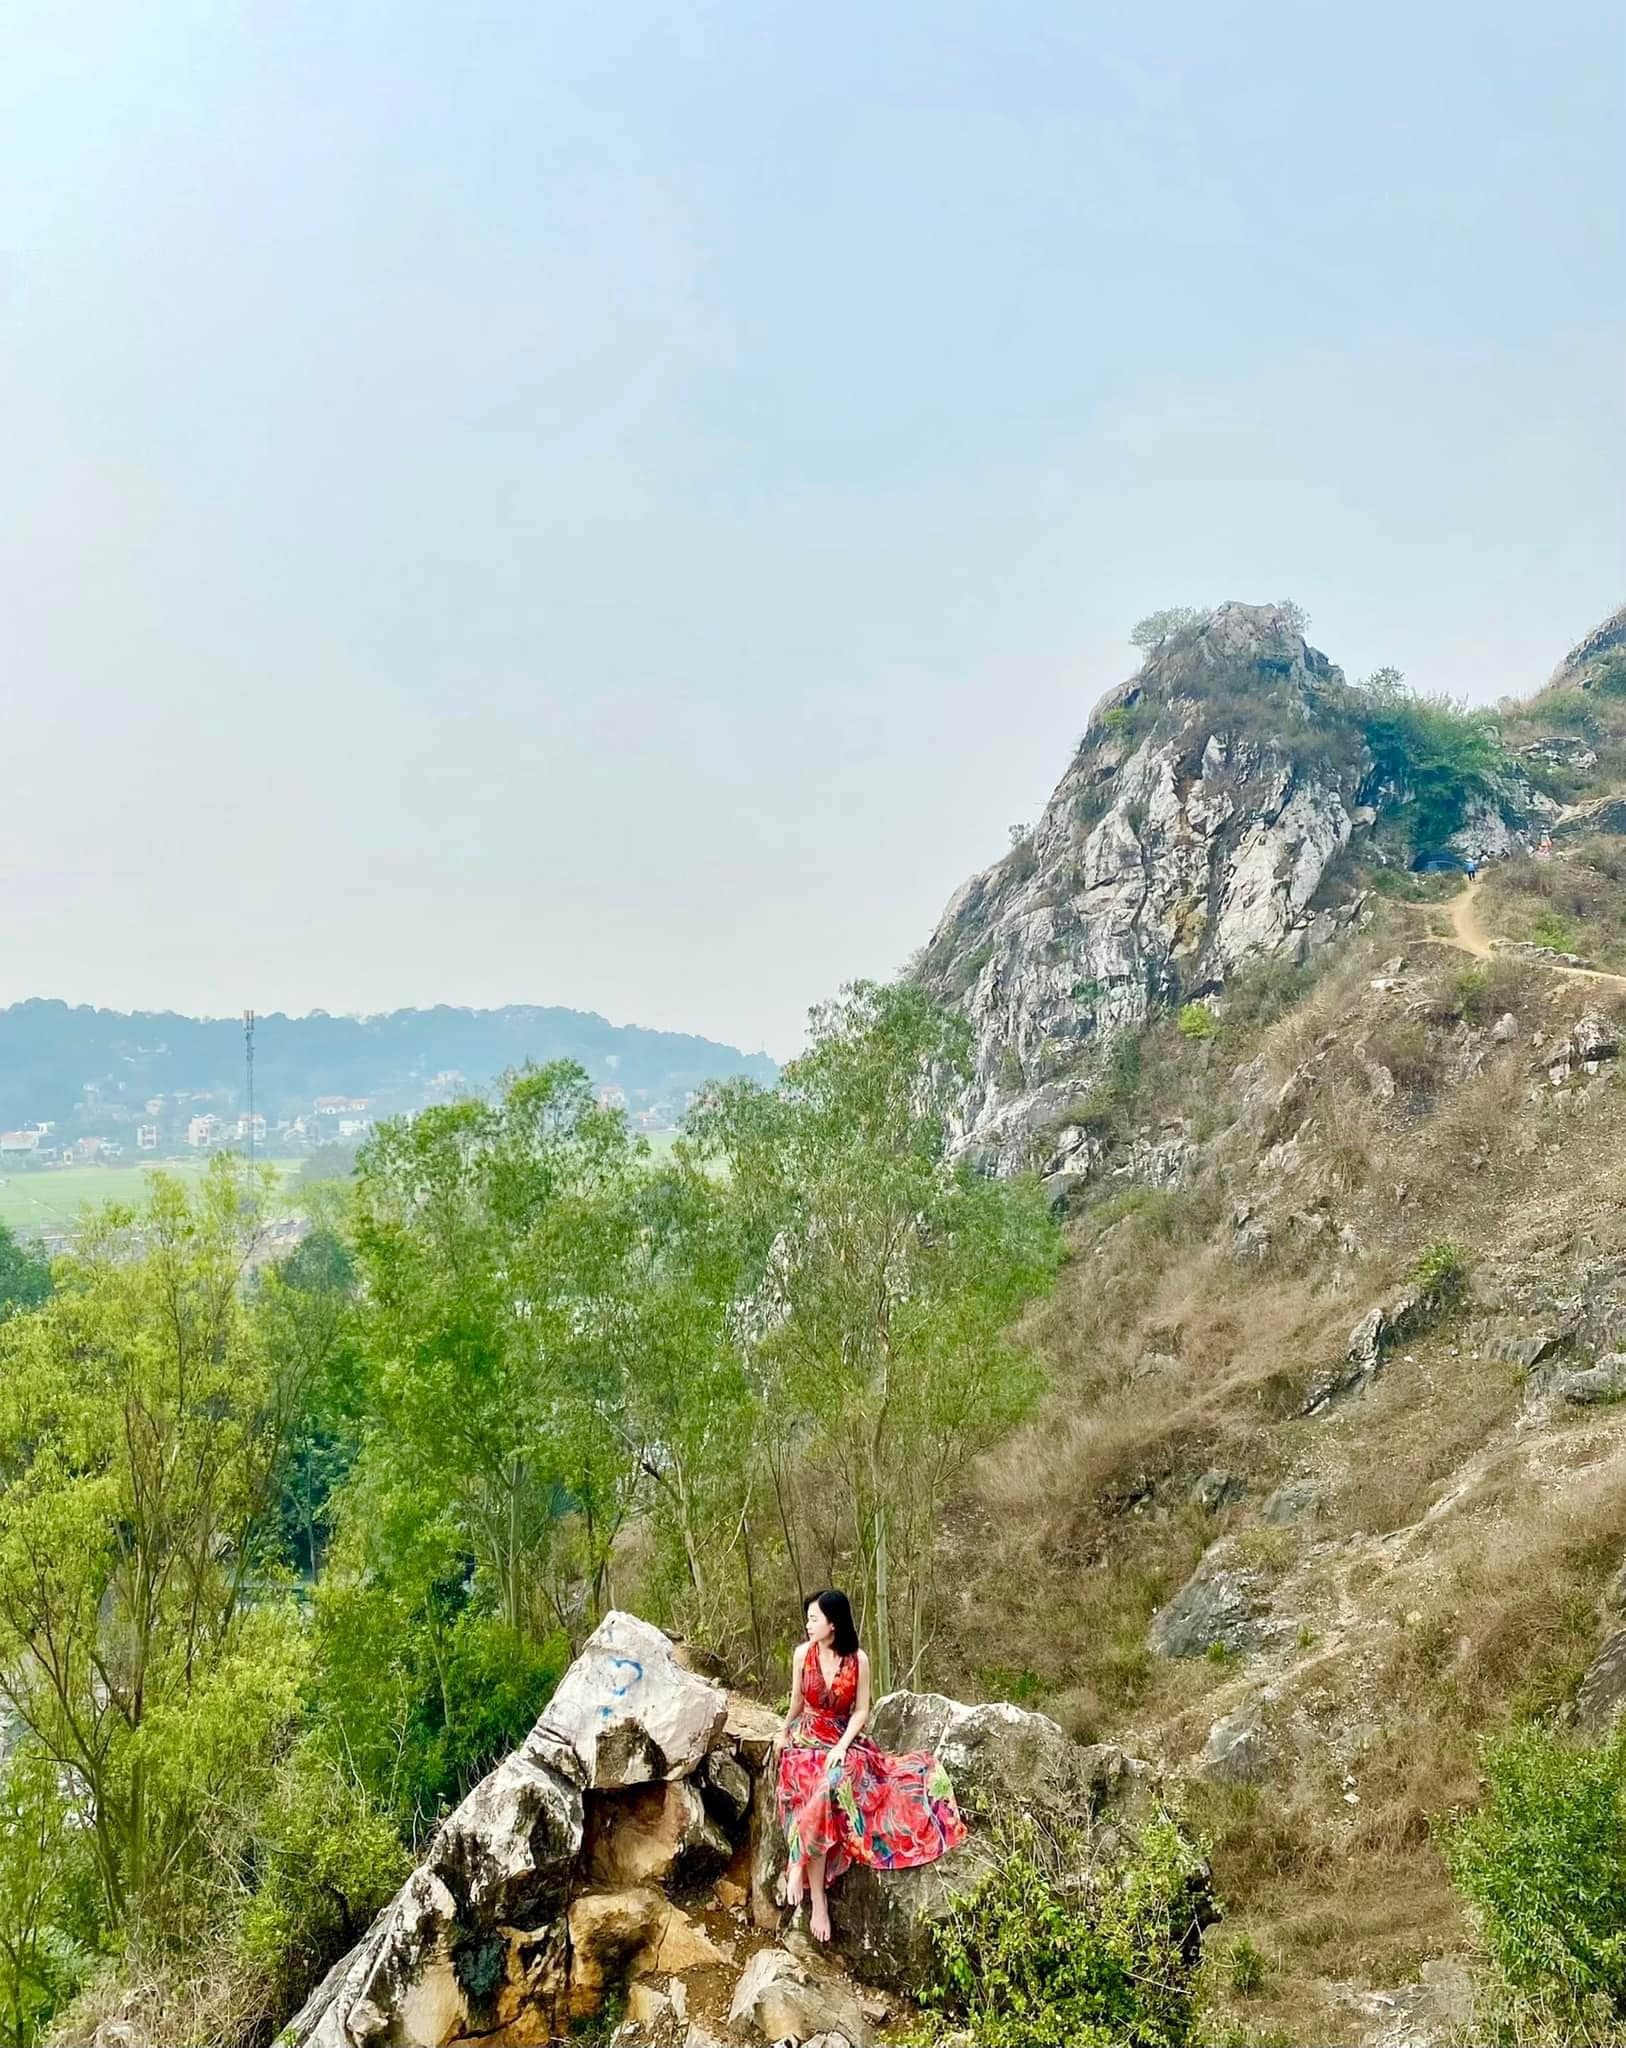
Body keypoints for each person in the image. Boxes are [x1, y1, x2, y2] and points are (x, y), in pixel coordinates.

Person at [773, 1589, 968, 1944]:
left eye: (814, 1619)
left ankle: (798, 1861)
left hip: (842, 1740)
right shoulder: (803, 1654)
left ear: (833, 1624)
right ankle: (817, 1898)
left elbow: (861, 1711)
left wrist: (842, 1746)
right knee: (812, 1786)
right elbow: (797, 1703)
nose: (808, 1625)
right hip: (806, 1741)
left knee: (832, 1783)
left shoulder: (857, 1660)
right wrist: (784, 1731)